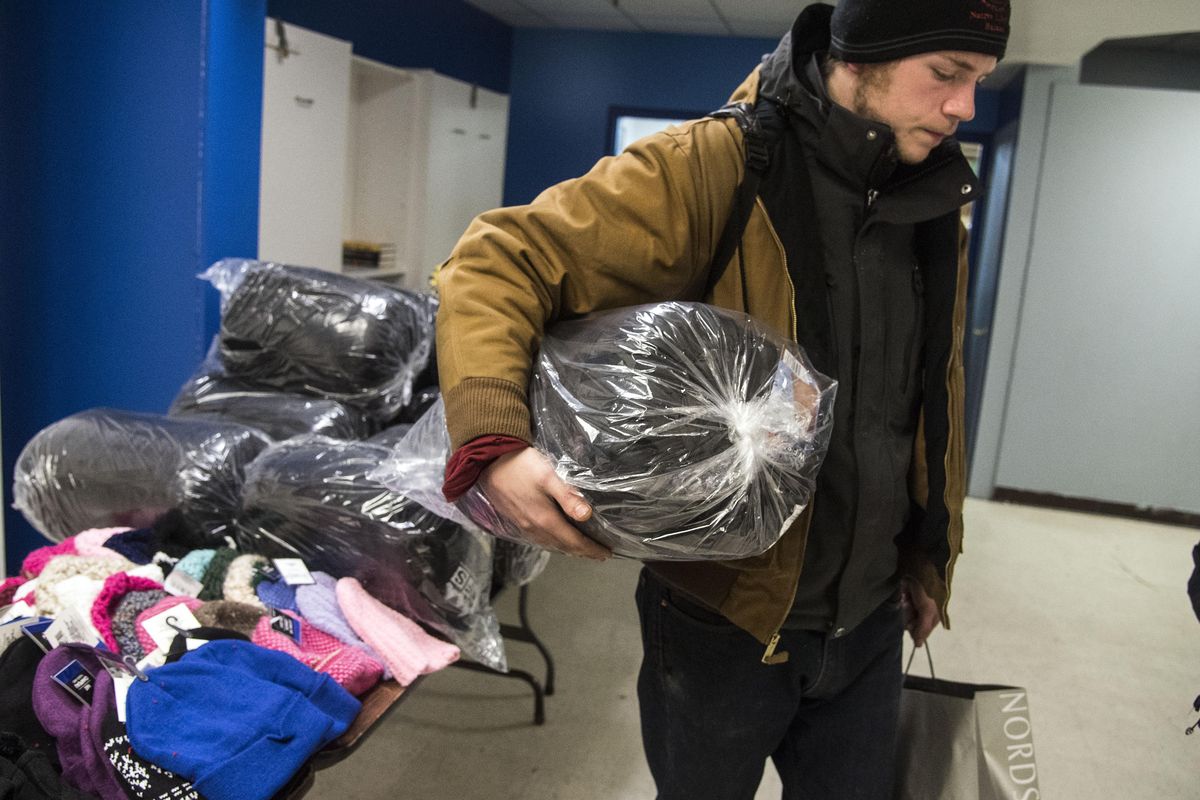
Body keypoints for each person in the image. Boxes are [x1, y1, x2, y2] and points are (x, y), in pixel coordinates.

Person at [434, 0, 1010, 797]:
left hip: (873, 617)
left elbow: (926, 393)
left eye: (979, 81)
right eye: (945, 75)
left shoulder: (934, 204)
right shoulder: (717, 165)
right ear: (857, 57)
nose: (963, 107)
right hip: (725, 618)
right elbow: (496, 262)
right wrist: (493, 442)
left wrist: (926, 550)